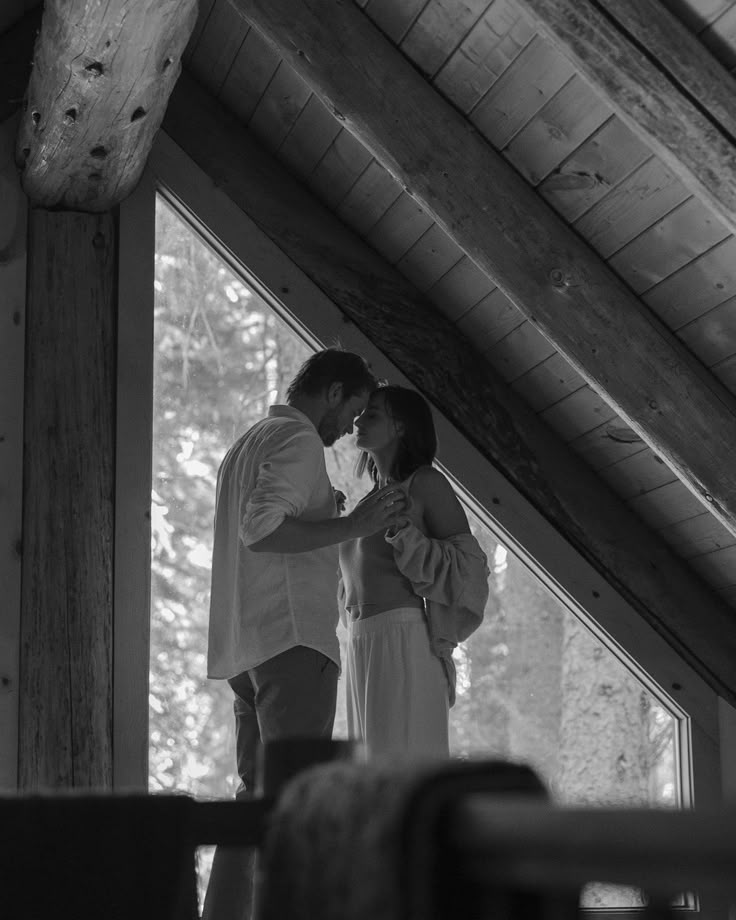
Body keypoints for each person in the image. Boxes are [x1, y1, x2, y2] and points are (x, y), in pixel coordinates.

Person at [203, 349, 407, 920]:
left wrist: (326, 519)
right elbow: (262, 529)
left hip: (246, 646)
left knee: (254, 804)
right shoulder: (296, 442)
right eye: (355, 410)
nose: (348, 430)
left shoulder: (248, 442)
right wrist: (353, 525)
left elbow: (259, 525)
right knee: (297, 802)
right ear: (335, 391)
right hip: (291, 642)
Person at [338, 385, 490, 760]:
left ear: (402, 427)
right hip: (361, 641)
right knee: (371, 778)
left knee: (400, 771)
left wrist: (406, 536)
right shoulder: (370, 498)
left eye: (371, 414)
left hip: (402, 639)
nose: (358, 419)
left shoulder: (426, 483)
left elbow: (470, 569)